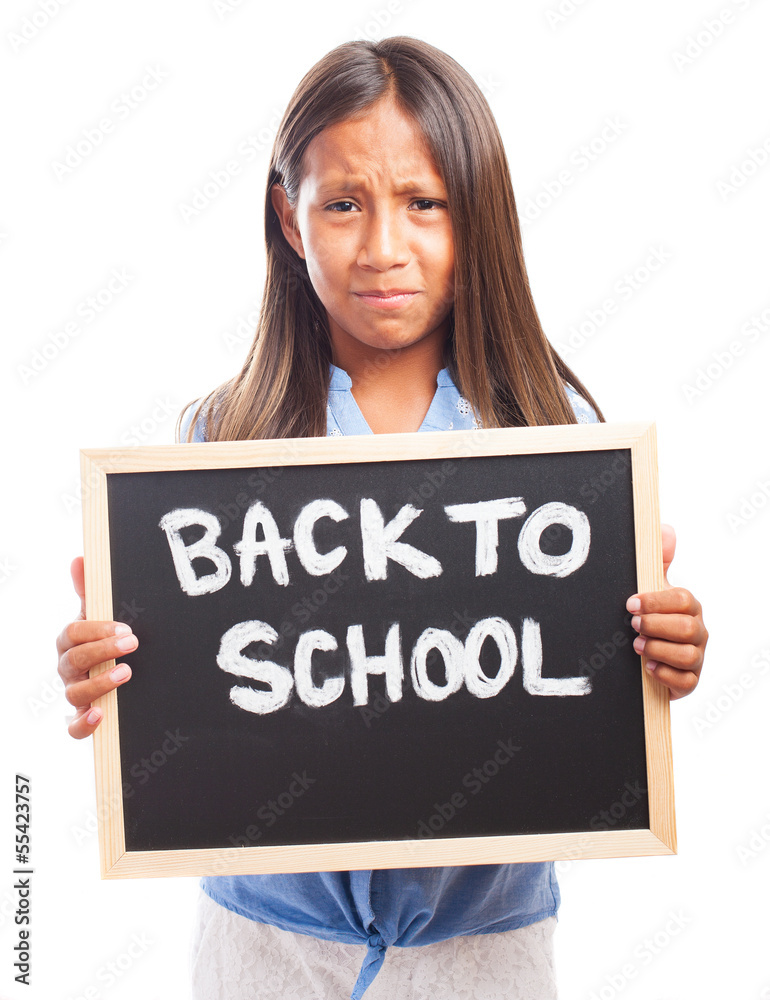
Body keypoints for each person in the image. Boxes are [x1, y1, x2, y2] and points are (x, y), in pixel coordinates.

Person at [56, 36, 708, 1000]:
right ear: (290, 217)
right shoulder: (217, 444)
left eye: (424, 203)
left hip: (485, 954)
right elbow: (183, 702)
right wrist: (111, 675)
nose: (384, 248)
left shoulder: (555, 440)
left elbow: (587, 690)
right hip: (264, 949)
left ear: (477, 214)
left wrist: (659, 655)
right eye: (344, 204)